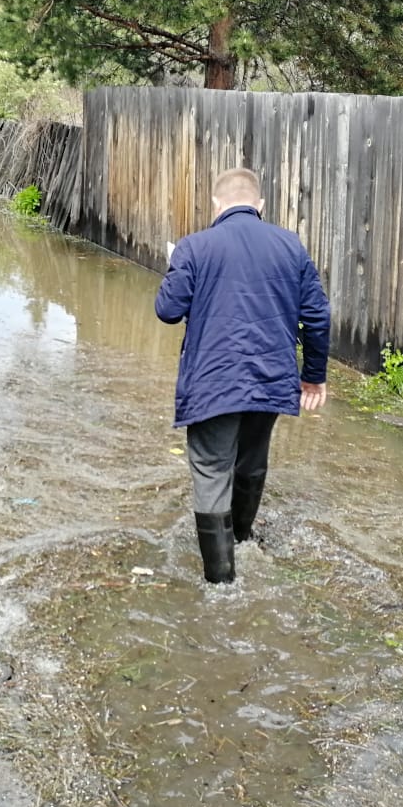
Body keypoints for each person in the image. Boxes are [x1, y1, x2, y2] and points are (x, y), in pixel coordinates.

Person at [155, 168, 331, 584]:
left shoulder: (193, 247)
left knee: (213, 471)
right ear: (260, 204)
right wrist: (313, 376)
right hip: (271, 380)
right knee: (251, 462)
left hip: (213, 382)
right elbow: (318, 317)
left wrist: (174, 266)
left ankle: (221, 583)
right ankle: (243, 539)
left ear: (216, 205)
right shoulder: (291, 246)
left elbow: (167, 310)